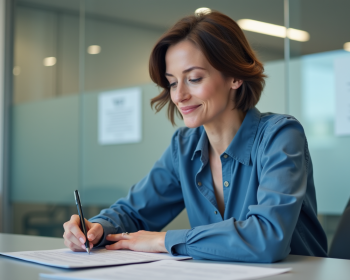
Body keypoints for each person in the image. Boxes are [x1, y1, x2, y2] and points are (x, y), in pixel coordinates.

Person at [63, 11, 328, 263]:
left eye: (194, 78)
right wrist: (95, 227)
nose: (178, 96)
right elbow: (134, 212)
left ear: (234, 76)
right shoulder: (184, 147)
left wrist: (163, 241)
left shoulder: (280, 135)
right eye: (173, 82)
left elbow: (268, 237)